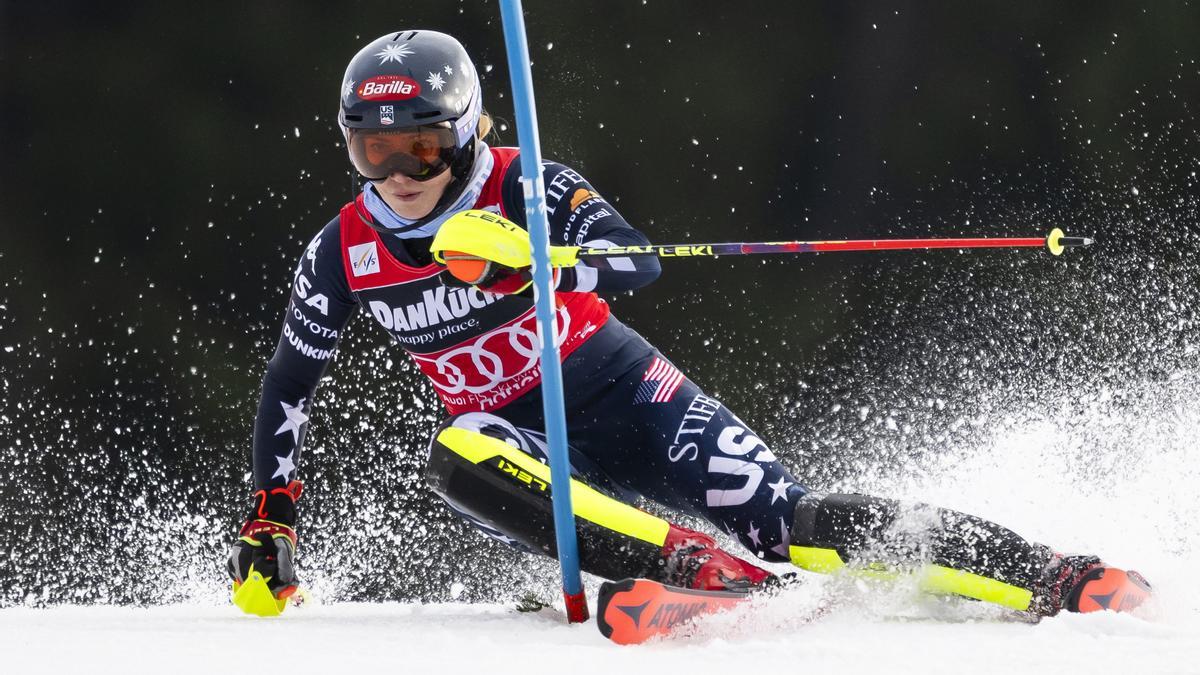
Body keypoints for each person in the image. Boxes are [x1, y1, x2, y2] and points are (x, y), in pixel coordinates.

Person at [226, 30, 1151, 619]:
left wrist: (536, 254)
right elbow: (288, 385)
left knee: (798, 519)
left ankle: (1052, 573)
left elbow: (639, 258)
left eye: (420, 142)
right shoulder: (342, 250)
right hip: (528, 443)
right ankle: (692, 572)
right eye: (373, 147)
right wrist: (274, 512)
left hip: (626, 389)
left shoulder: (529, 183)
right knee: (459, 450)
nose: (399, 170)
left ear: (466, 129)